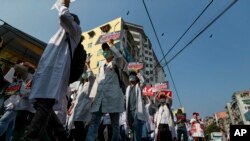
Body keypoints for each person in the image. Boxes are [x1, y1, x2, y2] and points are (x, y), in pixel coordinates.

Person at [22, 0, 82, 140]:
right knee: (40, 104)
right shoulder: (57, 35)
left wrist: (64, 5)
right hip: (44, 73)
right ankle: (62, 136)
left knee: (45, 103)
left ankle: (29, 138)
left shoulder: (75, 31)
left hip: (55, 74)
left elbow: (64, 17)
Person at [86, 42, 125, 141]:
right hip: (100, 98)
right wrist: (93, 98)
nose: (105, 52)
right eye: (104, 50)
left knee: (115, 125)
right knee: (94, 122)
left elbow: (120, 58)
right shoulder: (101, 66)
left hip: (113, 98)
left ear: (112, 52)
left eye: (108, 50)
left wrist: (112, 46)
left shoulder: (116, 63)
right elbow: (97, 82)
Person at [0, 63, 34, 141]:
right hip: (14, 101)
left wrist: (19, 91)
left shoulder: (29, 77)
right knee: (10, 125)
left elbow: (28, 91)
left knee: (4, 120)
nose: (18, 72)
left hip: (18, 103)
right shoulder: (20, 76)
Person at [67, 60, 94, 141]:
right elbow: (75, 98)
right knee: (74, 126)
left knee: (80, 127)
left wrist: (88, 66)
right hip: (77, 109)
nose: (84, 74)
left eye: (86, 72)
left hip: (84, 109)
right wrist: (71, 108)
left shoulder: (90, 84)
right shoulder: (80, 85)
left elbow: (92, 77)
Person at [125, 71, 146, 141]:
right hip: (129, 113)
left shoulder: (138, 86)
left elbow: (144, 82)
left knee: (137, 134)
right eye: (130, 76)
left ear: (136, 78)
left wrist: (138, 74)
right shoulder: (127, 88)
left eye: (133, 76)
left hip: (137, 113)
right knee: (132, 134)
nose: (131, 77)